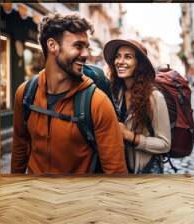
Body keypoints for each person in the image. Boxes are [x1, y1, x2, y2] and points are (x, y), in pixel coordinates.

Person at [11, 13, 128, 174]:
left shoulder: (97, 103)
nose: (86, 54)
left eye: (86, 47)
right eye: (78, 46)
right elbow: (20, 147)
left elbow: (115, 171)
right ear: (52, 45)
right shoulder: (25, 93)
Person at [103, 39, 171, 174]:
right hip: (122, 169)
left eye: (128, 57)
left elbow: (165, 144)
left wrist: (130, 136)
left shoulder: (154, 97)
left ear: (139, 64)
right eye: (118, 56)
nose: (120, 61)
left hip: (145, 171)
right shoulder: (116, 92)